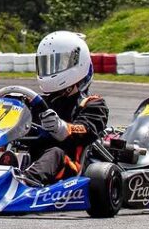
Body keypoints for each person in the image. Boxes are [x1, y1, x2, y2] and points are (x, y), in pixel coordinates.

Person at [22, 31, 109, 186]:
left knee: (55, 153)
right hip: (32, 158)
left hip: (69, 164)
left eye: (57, 63)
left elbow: (88, 130)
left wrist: (61, 127)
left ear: (78, 62)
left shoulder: (92, 103)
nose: (51, 69)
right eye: (47, 63)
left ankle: (24, 183)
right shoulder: (37, 102)